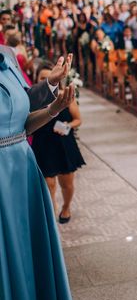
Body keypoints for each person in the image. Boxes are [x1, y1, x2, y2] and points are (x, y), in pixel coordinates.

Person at [0, 49, 82, 300]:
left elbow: (21, 119)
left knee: (29, 264)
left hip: (23, 170)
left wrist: (53, 102)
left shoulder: (7, 55)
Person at [31, 62, 85, 223]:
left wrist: (67, 126)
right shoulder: (33, 98)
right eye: (42, 78)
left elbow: (78, 120)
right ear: (37, 79)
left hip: (63, 144)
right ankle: (52, 214)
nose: (47, 81)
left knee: (66, 184)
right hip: (43, 145)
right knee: (48, 184)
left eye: (50, 77)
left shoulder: (65, 95)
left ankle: (66, 207)